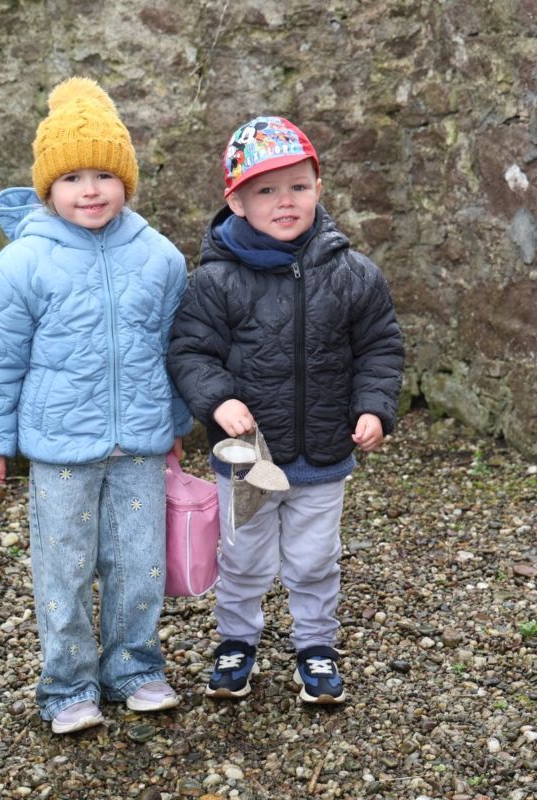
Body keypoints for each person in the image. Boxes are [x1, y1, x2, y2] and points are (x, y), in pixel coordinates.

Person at [0, 77, 190, 734]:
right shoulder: (21, 265)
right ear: (48, 188)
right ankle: (67, 687)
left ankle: (135, 668)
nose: (90, 190)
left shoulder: (160, 258)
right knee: (64, 566)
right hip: (61, 448)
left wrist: (174, 424)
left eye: (104, 175)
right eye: (72, 178)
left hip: (141, 444)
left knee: (139, 564)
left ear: (126, 181)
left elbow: (175, 348)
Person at [167, 116, 404, 705]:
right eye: (266, 191)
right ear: (238, 202)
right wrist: (218, 400)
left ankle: (316, 647)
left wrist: (373, 406)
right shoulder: (216, 280)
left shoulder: (351, 273)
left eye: (297, 186)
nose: (284, 201)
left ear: (319, 189)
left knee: (315, 558)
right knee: (244, 556)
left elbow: (379, 346)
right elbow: (192, 350)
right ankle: (236, 641)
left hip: (323, 451)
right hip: (248, 457)